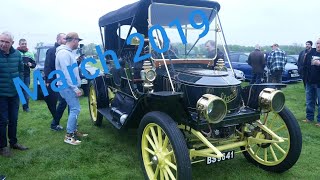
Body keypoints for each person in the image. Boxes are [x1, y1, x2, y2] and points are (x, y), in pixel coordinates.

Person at [55, 32, 87, 145]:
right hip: (67, 86)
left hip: (67, 86)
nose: (78, 43)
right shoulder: (64, 53)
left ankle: (73, 131)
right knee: (75, 109)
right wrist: (75, 88)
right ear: (73, 40)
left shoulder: (67, 53)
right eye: (78, 40)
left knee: (75, 108)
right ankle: (69, 136)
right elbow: (66, 73)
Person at [0, 31, 28, 157]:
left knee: (14, 119)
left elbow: (21, 70)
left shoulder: (17, 54)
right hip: (1, 94)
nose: (3, 44)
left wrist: (20, 83)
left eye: (6, 42)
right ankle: (2, 146)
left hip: (14, 93)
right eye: (1, 41)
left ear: (12, 43)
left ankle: (14, 142)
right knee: (2, 121)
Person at [43, 33, 68, 131]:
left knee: (64, 101)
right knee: (59, 101)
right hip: (54, 80)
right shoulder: (52, 51)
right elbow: (47, 66)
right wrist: (48, 80)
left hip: (62, 80)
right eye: (64, 38)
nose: (66, 40)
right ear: (58, 39)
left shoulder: (65, 51)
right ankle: (54, 123)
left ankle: (56, 122)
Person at [302, 38, 320, 127]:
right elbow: (305, 65)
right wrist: (305, 78)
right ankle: (309, 118)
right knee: (309, 100)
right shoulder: (311, 53)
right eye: (317, 43)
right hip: (309, 81)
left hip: (319, 82)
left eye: (319, 43)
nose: (318, 45)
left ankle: (319, 121)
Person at [17, 39, 36, 112]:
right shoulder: (16, 53)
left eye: (25, 43)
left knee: (26, 92)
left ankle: (26, 108)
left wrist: (31, 64)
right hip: (17, 75)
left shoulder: (30, 54)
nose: (24, 45)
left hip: (26, 75)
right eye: (22, 44)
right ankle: (15, 108)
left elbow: (34, 64)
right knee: (17, 92)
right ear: (19, 44)